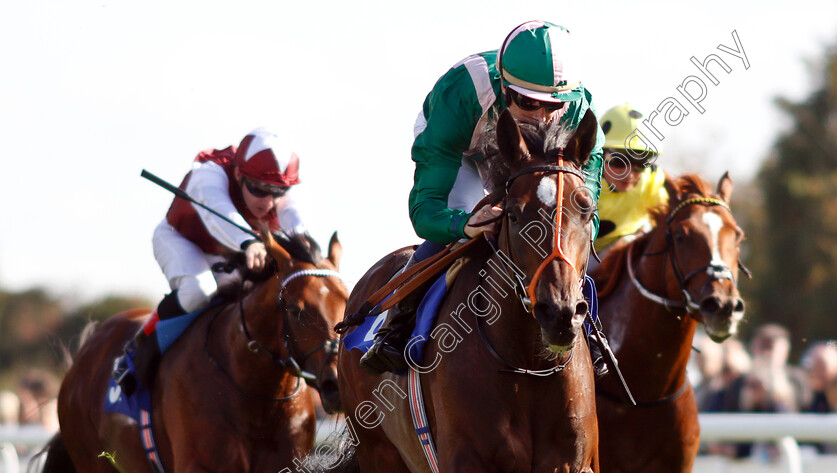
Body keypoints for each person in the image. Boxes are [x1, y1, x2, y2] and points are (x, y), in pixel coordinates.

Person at [360, 20, 606, 375]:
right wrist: (464, 224)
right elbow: (426, 211)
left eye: (553, 107)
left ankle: (592, 329)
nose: (540, 119)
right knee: (467, 227)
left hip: (533, 163)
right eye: (527, 103)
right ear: (505, 89)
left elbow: (588, 215)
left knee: (561, 225)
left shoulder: (580, 111)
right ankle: (396, 327)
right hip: (463, 149)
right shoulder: (462, 94)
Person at [114, 127, 307, 394]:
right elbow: (218, 212)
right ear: (239, 174)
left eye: (276, 192)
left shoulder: (276, 190)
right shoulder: (208, 173)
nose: (268, 202)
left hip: (232, 252)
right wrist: (248, 241)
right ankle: (135, 351)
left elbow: (293, 218)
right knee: (199, 291)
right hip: (181, 239)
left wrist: (309, 250)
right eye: (259, 190)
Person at [593, 103, 669, 257]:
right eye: (619, 162)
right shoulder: (581, 184)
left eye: (640, 164)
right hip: (581, 255)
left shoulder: (651, 181)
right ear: (599, 155)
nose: (629, 175)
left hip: (629, 248)